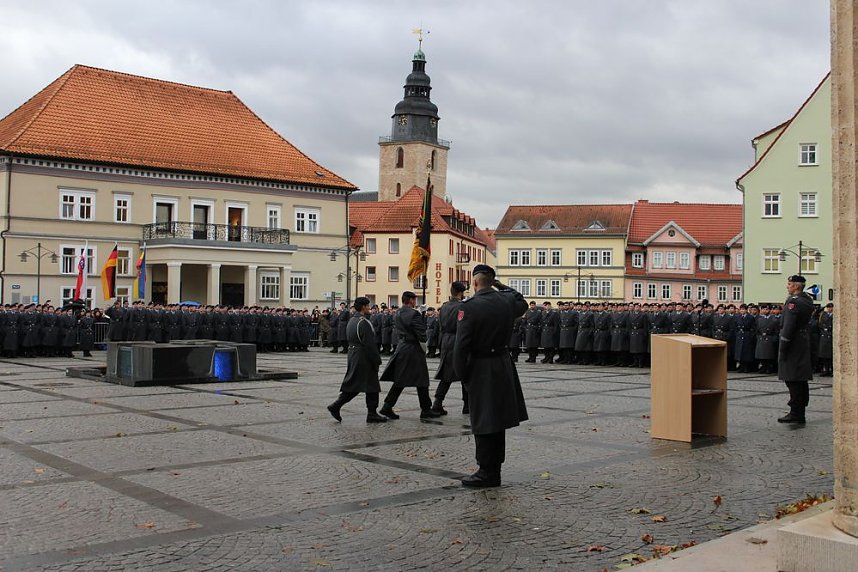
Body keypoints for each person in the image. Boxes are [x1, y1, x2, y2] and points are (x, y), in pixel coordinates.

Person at [454, 264, 528, 487]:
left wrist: (463, 375)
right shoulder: (506, 301)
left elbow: (461, 346)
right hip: (503, 364)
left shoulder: (469, 307)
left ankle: (486, 471)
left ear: (475, 282)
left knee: (484, 419)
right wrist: (500, 285)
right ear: (492, 281)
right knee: (498, 420)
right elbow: (522, 301)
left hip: (480, 366)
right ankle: (494, 469)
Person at [379, 291, 442, 419]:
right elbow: (421, 334)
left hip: (402, 347)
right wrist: (424, 345)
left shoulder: (398, 313)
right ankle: (425, 410)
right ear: (411, 300)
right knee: (422, 380)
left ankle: (387, 406)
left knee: (401, 379)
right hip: (413, 349)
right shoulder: (414, 314)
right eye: (414, 299)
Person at [327, 297, 387, 423]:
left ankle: (370, 412)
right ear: (363, 307)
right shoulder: (363, 322)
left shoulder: (352, 320)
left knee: (361, 385)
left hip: (354, 354)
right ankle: (338, 406)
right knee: (368, 385)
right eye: (368, 306)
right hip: (364, 357)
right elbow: (370, 345)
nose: (369, 308)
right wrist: (377, 360)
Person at [777, 275, 815, 424]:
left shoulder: (794, 302)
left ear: (796, 286)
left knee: (792, 378)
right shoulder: (807, 300)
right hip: (802, 342)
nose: (787, 286)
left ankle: (796, 412)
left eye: (789, 284)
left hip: (793, 343)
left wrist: (783, 344)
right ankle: (799, 411)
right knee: (800, 379)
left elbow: (789, 325)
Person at [432, 281, 469, 415]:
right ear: (461, 293)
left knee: (446, 375)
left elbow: (440, 326)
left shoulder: (444, 307)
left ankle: (438, 402)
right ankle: (467, 405)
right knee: (465, 374)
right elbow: (464, 326)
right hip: (458, 341)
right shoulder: (463, 307)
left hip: (445, 341)